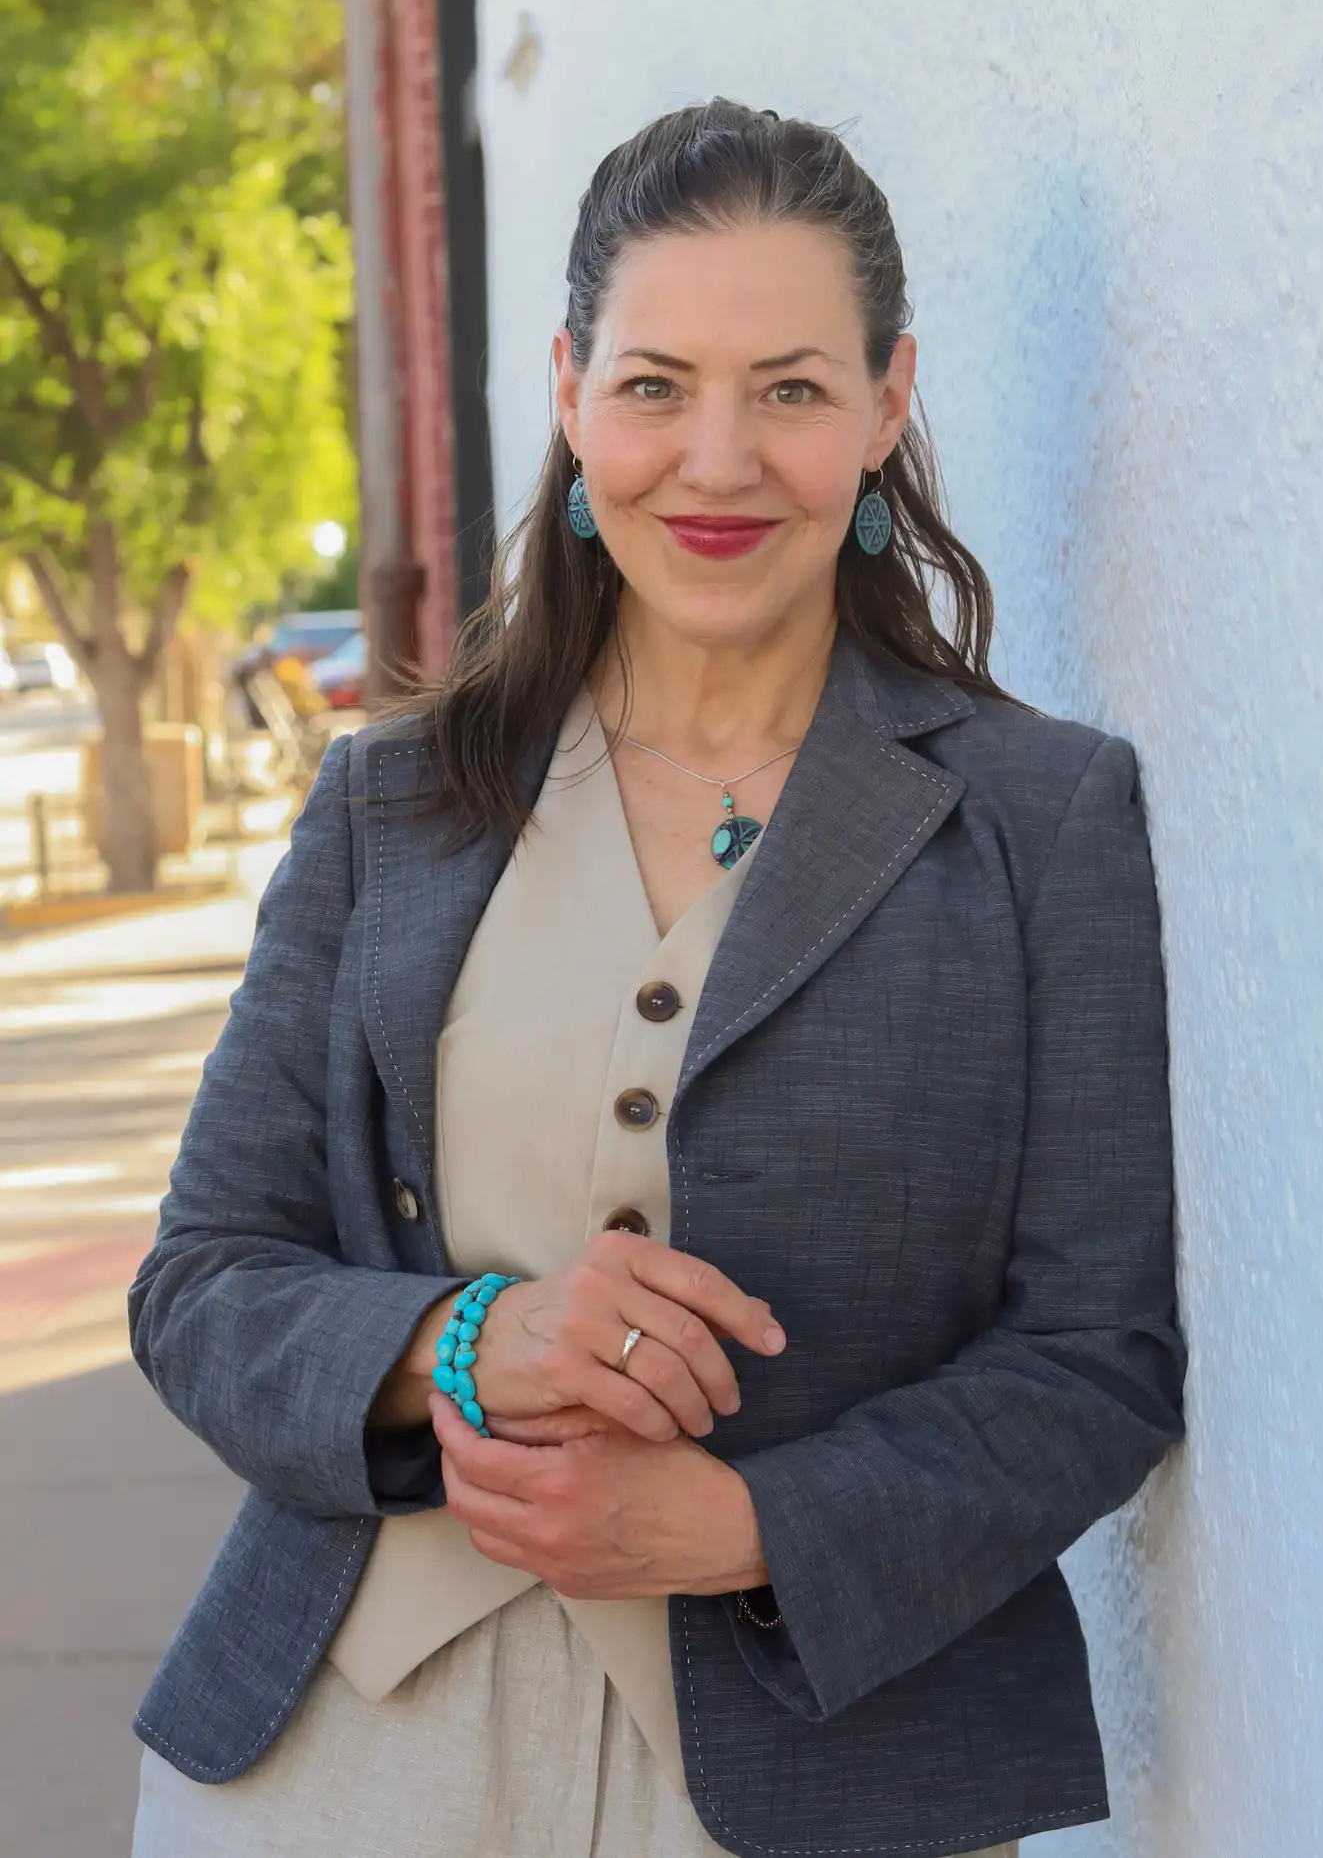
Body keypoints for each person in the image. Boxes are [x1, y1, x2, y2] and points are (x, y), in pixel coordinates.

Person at [127, 99, 1184, 1858]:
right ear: (566, 391)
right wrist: (466, 1337)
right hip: (348, 1752)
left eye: (786, 388)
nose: (714, 459)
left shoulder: (1040, 819)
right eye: (651, 386)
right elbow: (201, 1284)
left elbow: (1099, 1355)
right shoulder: (394, 802)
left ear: (886, 401)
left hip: (828, 1770)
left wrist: (744, 1526)